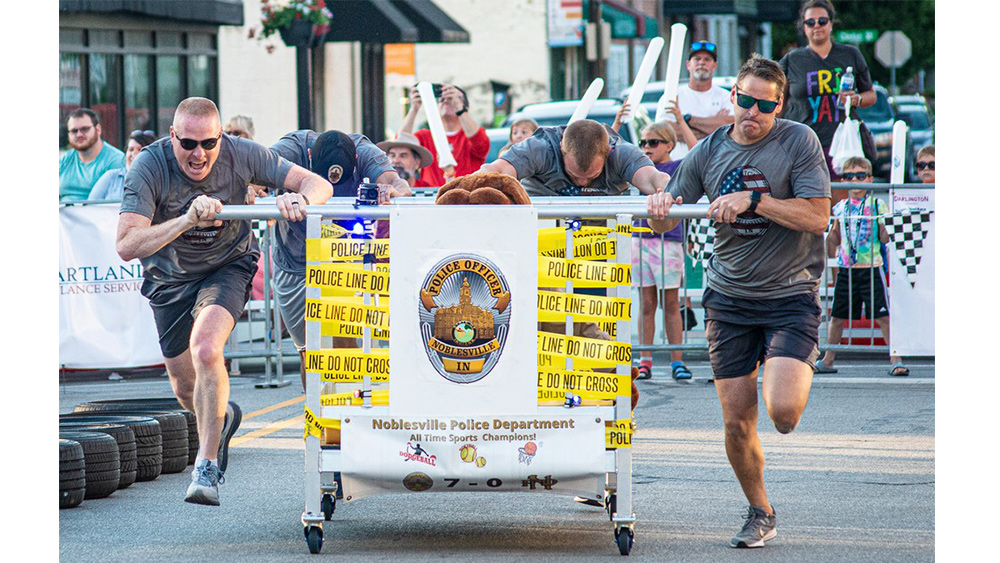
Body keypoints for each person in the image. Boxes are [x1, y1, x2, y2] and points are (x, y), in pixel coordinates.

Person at [646, 54, 831, 548]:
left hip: (789, 293)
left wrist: (755, 200)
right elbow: (667, 219)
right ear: (732, 98)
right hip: (728, 298)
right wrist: (660, 206)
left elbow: (817, 217)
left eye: (762, 105)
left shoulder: (797, 141)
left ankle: (786, 370)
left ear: (779, 105)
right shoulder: (707, 151)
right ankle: (760, 510)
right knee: (735, 421)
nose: (751, 112)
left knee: (784, 414)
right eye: (744, 101)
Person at [117, 97, 333, 506]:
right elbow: (127, 245)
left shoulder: (241, 153)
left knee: (206, 347)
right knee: (185, 386)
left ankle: (206, 466)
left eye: (209, 143)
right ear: (172, 137)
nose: (199, 154)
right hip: (168, 279)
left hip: (227, 267)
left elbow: (318, 184)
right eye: (188, 144)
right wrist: (186, 219)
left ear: (221, 137)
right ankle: (225, 415)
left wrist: (297, 200)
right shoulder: (149, 165)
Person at [268, 129, 411, 390]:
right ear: (309, 158)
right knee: (310, 352)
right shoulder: (290, 150)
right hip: (296, 261)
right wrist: (253, 191)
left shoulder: (366, 151)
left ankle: (348, 419)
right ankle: (316, 421)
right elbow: (252, 176)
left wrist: (392, 190)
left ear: (355, 160)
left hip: (345, 257)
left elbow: (398, 183)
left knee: (345, 343)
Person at [813, 156, 905, 376]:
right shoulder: (841, 206)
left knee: (882, 316)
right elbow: (834, 236)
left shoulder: (876, 204)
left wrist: (887, 223)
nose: (855, 180)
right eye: (849, 176)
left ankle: (896, 359)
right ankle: (828, 359)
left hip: (872, 267)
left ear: (870, 180)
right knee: (837, 317)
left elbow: (884, 237)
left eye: (860, 176)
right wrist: (825, 240)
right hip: (847, 269)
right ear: (843, 181)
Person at [778, 0, 875, 178]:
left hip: (841, 142)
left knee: (840, 199)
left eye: (822, 21)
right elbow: (778, 103)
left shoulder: (850, 54)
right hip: (803, 143)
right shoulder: (792, 60)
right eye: (810, 22)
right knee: (807, 198)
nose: (817, 26)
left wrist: (856, 99)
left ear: (831, 23)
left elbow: (871, 94)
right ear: (803, 26)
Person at [629, 121, 692, 381]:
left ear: (669, 145)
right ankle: (645, 359)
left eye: (653, 142)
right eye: (643, 143)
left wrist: (680, 120)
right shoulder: (637, 169)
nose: (647, 147)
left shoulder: (676, 168)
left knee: (670, 302)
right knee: (646, 303)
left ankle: (677, 359)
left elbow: (696, 150)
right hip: (640, 239)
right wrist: (620, 123)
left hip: (668, 241)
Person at [478, 119, 667, 197]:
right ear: (562, 148)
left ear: (608, 151)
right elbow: (497, 171)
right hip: (545, 244)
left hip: (603, 247)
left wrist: (669, 192)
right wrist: (475, 183)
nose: (582, 182)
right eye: (574, 175)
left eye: (592, 175)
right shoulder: (539, 148)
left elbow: (653, 178)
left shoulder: (622, 153)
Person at [399, 83, 489, 186]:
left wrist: (458, 106)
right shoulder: (425, 136)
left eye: (455, 97)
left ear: (466, 108)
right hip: (431, 197)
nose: (447, 100)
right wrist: (414, 108)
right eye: (442, 99)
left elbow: (481, 142)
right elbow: (400, 144)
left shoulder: (469, 136)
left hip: (466, 196)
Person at [670, 40, 735, 159]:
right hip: (679, 165)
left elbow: (732, 129)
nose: (702, 63)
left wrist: (687, 121)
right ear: (688, 64)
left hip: (716, 165)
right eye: (697, 59)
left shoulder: (726, 97)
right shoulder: (672, 96)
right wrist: (715, 127)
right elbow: (667, 133)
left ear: (715, 65)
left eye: (707, 59)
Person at [60, 108, 126, 201]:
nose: (79, 134)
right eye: (74, 131)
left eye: (85, 129)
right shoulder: (64, 160)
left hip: (97, 214)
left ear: (98, 129)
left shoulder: (116, 161)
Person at [88, 130, 158, 201]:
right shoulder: (111, 177)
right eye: (131, 149)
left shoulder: (160, 181)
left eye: (140, 149)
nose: (133, 154)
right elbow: (90, 206)